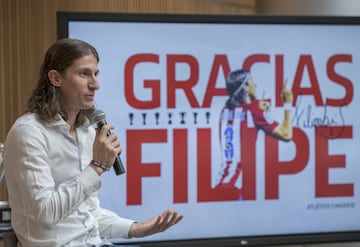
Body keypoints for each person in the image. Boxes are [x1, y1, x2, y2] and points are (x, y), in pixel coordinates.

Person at [3, 38, 183, 247]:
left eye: (96, 74)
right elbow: (45, 213)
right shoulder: (29, 133)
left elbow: (88, 214)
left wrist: (136, 229)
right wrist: (96, 166)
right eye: (84, 74)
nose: (95, 84)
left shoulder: (86, 133)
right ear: (55, 78)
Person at [217, 69, 293, 197]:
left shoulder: (224, 111)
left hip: (221, 183)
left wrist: (260, 108)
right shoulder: (254, 110)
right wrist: (287, 103)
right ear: (245, 87)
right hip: (236, 185)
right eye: (252, 81)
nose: (255, 85)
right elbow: (287, 134)